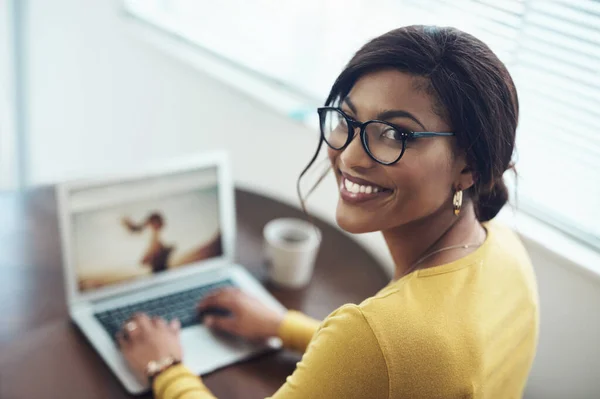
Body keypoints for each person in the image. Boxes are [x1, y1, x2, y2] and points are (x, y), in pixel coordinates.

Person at [117, 25, 539, 398]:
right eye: (347, 119)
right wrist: (284, 327)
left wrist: (166, 368)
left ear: (468, 165)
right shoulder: (505, 251)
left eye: (395, 133)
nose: (351, 156)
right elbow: (396, 368)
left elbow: (385, 352)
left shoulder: (378, 336)